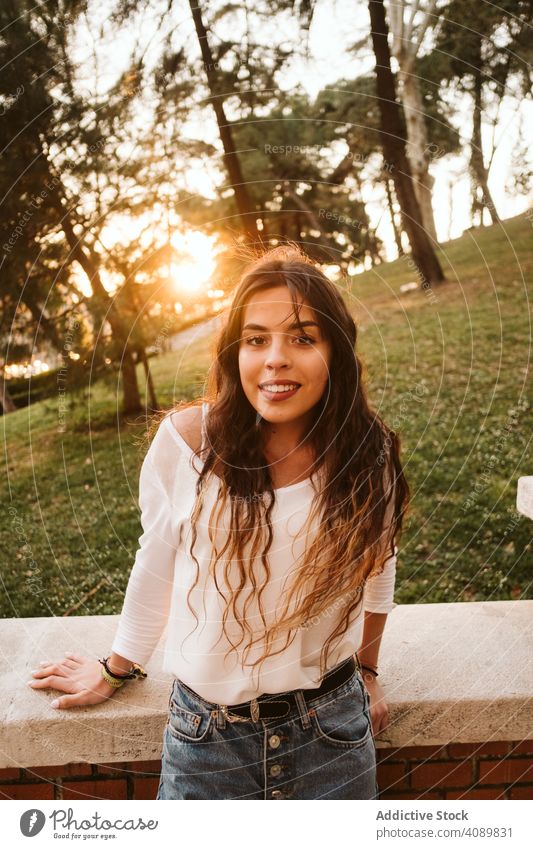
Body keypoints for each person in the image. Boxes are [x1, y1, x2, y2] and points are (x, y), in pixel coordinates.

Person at [28, 245, 409, 800]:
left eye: (302, 337)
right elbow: (155, 562)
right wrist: (114, 668)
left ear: (336, 351)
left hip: (331, 730)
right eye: (256, 339)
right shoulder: (187, 444)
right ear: (235, 351)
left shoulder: (365, 452)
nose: (275, 358)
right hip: (207, 738)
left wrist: (368, 673)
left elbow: (378, 567)